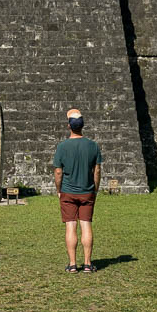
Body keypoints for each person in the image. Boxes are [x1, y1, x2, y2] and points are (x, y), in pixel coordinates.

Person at [52, 108, 103, 274]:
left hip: (68, 191)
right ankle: (88, 264)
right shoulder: (93, 146)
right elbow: (97, 171)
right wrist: (95, 189)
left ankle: (73, 264)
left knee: (70, 226)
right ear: (83, 126)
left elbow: (58, 172)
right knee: (86, 225)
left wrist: (59, 189)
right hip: (87, 191)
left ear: (69, 126)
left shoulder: (62, 147)